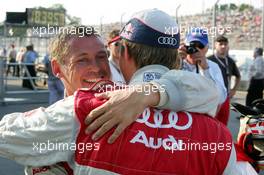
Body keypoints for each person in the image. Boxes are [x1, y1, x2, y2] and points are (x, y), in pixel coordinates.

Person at [0, 10, 243, 175]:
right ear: (177, 59)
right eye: (83, 60)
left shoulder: (89, 109)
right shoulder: (218, 135)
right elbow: (211, 92)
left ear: (123, 54)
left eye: (101, 56)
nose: (96, 68)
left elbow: (5, 136)